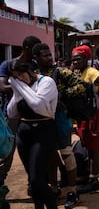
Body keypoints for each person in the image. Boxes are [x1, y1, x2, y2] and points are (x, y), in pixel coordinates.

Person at [32, 43, 85, 208]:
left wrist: (62, 95)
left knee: (67, 153)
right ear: (36, 58)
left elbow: (81, 86)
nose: (49, 58)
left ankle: (72, 192)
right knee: (49, 155)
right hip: (42, 119)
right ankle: (54, 189)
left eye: (50, 55)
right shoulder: (33, 75)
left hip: (60, 118)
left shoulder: (61, 72)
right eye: (45, 55)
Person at [7, 60, 58, 209]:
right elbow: (12, 112)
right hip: (24, 132)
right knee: (32, 179)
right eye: (16, 77)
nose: (21, 79)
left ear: (30, 70)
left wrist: (19, 86)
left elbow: (38, 105)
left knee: (37, 180)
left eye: (22, 74)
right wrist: (17, 89)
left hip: (43, 131)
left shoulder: (46, 82)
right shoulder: (22, 87)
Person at [0, 35, 41, 207]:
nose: (37, 52)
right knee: (6, 153)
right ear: (26, 48)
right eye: (35, 49)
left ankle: (35, 185)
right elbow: (2, 87)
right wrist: (24, 87)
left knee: (33, 152)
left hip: (33, 115)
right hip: (12, 116)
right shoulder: (8, 65)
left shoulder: (35, 66)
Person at [71, 45, 99, 192]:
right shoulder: (78, 72)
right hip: (84, 114)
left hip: (91, 113)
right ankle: (89, 175)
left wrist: (93, 97)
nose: (75, 62)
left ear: (86, 59)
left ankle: (94, 179)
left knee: (93, 146)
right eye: (73, 60)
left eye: (78, 59)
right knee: (87, 144)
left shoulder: (90, 71)